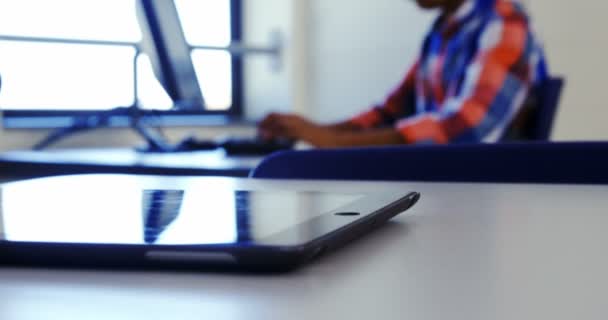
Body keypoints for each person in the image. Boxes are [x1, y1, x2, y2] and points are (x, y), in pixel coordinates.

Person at [258, 0, 548, 147]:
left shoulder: (505, 24)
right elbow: (391, 111)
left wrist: (334, 143)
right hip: (445, 190)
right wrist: (313, 130)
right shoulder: (443, 29)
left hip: (486, 201)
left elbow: (466, 128)